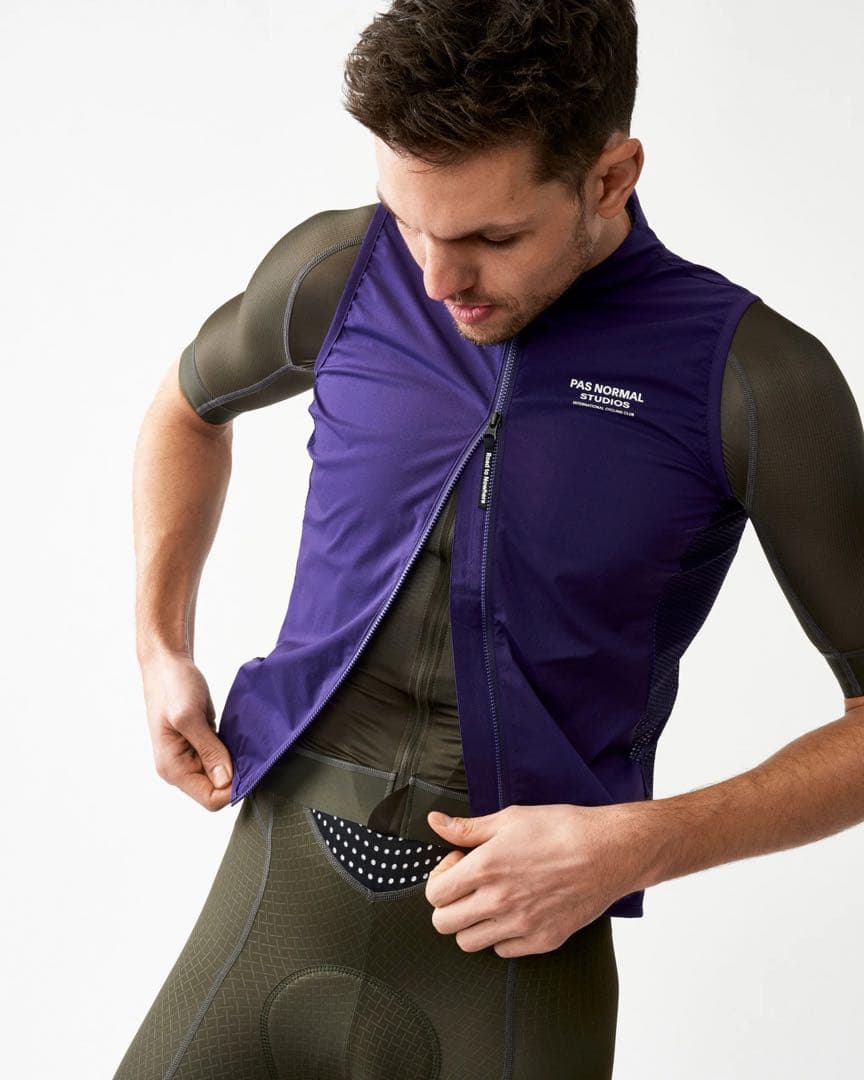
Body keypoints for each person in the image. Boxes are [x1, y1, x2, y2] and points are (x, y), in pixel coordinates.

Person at [115, 2, 864, 1077]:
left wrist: (645, 842)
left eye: (491, 239)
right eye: (411, 221)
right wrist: (160, 647)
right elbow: (188, 409)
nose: (436, 280)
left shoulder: (752, 379)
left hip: (518, 961)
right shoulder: (343, 270)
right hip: (277, 891)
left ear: (610, 178)